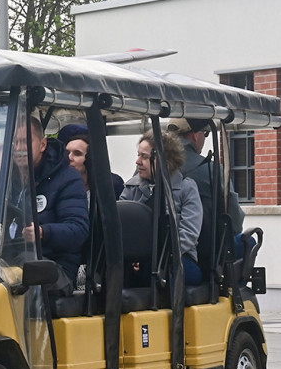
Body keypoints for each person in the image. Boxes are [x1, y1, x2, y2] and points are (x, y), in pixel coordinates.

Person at [120, 130, 204, 286]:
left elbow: (189, 233)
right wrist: (132, 255)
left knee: (161, 274)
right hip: (137, 259)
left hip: (178, 259)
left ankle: (174, 310)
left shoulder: (186, 188)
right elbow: (121, 227)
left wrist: (153, 254)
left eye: (144, 157)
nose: (138, 161)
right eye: (138, 155)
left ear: (166, 160)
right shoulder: (131, 187)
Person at [15, 118, 89, 290]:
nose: (19, 148)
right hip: (14, 263)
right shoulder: (6, 180)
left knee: (17, 276)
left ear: (42, 145)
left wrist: (43, 233)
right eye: (15, 142)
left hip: (55, 268)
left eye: (25, 141)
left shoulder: (67, 179)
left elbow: (79, 230)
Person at [166, 117, 249, 265]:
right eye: (205, 133)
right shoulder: (212, 170)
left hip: (160, 250)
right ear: (195, 134)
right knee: (249, 241)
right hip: (206, 252)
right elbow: (235, 222)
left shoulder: (149, 167)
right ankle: (232, 287)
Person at [57, 123, 124, 199]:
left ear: (91, 158)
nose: (69, 157)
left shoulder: (110, 186)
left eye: (77, 153)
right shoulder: (54, 187)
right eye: (66, 153)